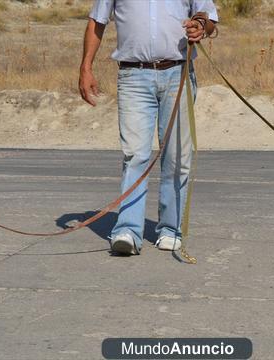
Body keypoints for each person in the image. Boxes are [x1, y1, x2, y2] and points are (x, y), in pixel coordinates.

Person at [79, 1, 218, 255]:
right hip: (133, 76)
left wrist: (201, 26)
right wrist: (86, 68)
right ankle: (128, 231)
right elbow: (97, 21)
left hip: (179, 72)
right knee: (135, 155)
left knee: (177, 156)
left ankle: (170, 229)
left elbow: (210, 18)